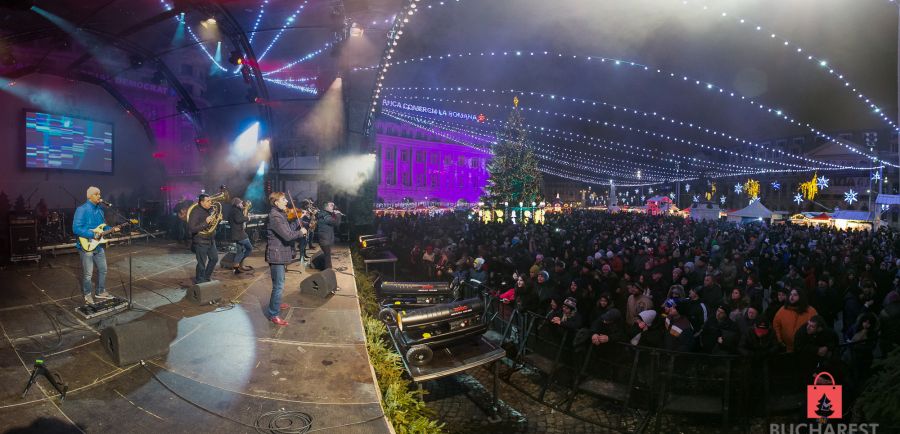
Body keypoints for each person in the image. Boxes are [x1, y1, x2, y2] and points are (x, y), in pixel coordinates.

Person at [265, 192, 307, 326]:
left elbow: (289, 229)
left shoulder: (281, 214)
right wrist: (301, 233)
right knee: (278, 286)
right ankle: (273, 314)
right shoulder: (275, 216)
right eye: (283, 199)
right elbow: (288, 235)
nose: (287, 201)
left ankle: (276, 305)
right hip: (276, 255)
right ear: (276, 202)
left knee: (279, 283)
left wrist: (298, 220)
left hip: (280, 254)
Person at [72, 186, 119, 305]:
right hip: (86, 245)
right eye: (96, 194)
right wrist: (92, 234)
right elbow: (76, 228)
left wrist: (112, 229)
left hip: (98, 246)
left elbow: (103, 227)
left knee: (103, 269)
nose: (99, 196)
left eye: (99, 194)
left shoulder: (100, 210)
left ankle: (100, 291)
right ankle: (87, 295)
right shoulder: (82, 209)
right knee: (88, 274)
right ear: (90, 196)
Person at [187, 194, 219, 284]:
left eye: (210, 201)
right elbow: (192, 228)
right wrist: (205, 222)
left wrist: (218, 219)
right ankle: (200, 280)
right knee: (201, 263)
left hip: (210, 239)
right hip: (201, 241)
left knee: (214, 259)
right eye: (208, 201)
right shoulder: (196, 212)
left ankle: (206, 277)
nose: (210, 202)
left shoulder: (209, 210)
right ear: (202, 202)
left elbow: (212, 224)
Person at [228, 197, 253, 274]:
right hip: (240, 235)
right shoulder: (235, 211)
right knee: (249, 248)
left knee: (240, 252)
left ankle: (236, 268)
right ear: (237, 204)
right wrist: (248, 218)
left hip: (235, 235)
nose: (242, 204)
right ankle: (239, 263)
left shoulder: (233, 210)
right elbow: (238, 220)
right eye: (241, 203)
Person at [315, 201, 342, 270]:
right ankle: (328, 271)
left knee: (327, 256)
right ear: (326, 207)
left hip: (325, 239)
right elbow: (335, 223)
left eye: (333, 205)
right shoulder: (325, 215)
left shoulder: (326, 214)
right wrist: (338, 214)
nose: (333, 207)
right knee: (327, 257)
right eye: (331, 205)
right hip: (324, 240)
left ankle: (328, 270)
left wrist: (335, 214)